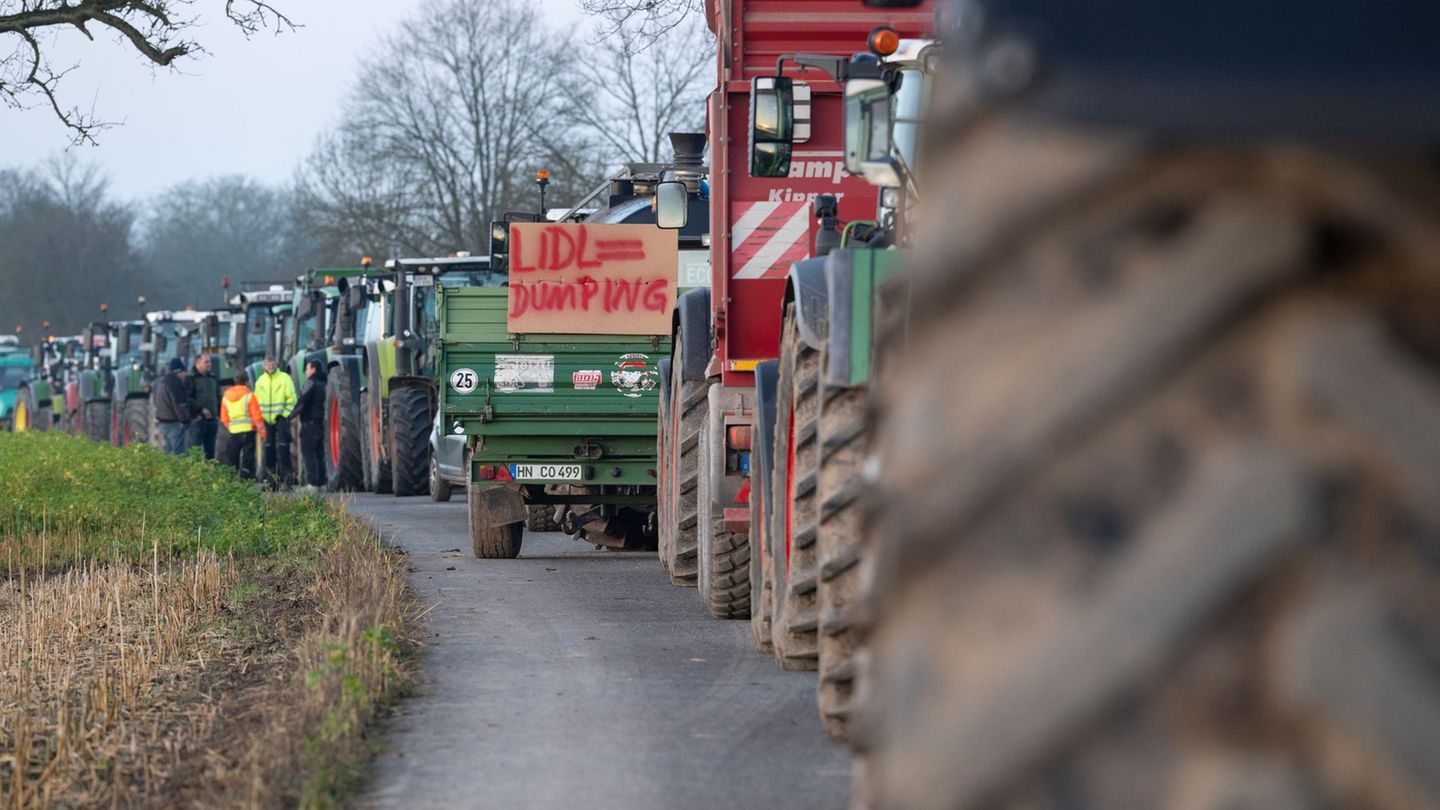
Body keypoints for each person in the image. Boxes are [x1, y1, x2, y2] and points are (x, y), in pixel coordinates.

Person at [254, 355, 298, 489]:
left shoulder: (285, 378)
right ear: (264, 366)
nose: (270, 367)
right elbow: (256, 401)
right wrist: (260, 418)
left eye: (272, 364)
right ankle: (272, 481)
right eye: (268, 364)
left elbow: (292, 398)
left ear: (276, 364)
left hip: (281, 418)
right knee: (269, 450)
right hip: (266, 420)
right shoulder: (260, 381)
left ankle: (288, 481)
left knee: (283, 448)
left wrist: (284, 414)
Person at [220, 369, 265, 480]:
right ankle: (246, 480)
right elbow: (257, 417)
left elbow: (224, 418)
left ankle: (232, 480)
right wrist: (263, 432)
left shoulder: (226, 397)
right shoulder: (249, 396)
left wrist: (230, 427)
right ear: (246, 382)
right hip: (248, 431)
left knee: (232, 458)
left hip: (233, 432)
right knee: (247, 458)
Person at [296, 359, 328, 492]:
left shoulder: (311, 382)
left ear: (313, 369)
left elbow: (303, 401)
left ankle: (312, 483)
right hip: (320, 423)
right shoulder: (324, 383)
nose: (305, 371)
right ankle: (321, 483)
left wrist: (289, 416)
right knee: (319, 453)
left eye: (307, 368)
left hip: (309, 423)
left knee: (308, 452)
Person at [184, 352, 220, 459]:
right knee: (194, 452)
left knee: (211, 452)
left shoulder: (213, 378)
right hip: (198, 421)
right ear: (197, 364)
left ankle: (209, 473)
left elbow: (218, 396)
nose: (209, 364)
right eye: (206, 362)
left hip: (212, 420)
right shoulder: (191, 378)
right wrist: (200, 410)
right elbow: (187, 398)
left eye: (210, 362)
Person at [153, 357, 192, 455]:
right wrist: (186, 421)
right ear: (179, 371)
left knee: (168, 454)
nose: (185, 375)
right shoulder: (174, 384)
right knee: (179, 454)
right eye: (184, 372)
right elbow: (179, 405)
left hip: (163, 423)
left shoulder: (162, 382)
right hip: (174, 424)